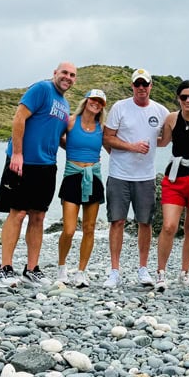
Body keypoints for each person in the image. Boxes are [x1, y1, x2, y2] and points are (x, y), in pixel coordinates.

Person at [0, 61, 77, 287]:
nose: (67, 77)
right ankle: (5, 268)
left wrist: (82, 150)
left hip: (46, 166)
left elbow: (57, 137)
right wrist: (17, 154)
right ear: (55, 73)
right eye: (64, 73)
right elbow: (19, 117)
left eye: (72, 75)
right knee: (18, 213)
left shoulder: (65, 105)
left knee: (38, 217)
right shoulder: (41, 89)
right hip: (22, 162)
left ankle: (31, 269)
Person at [101, 68, 170, 288]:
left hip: (146, 177)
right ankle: (114, 271)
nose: (141, 88)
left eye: (145, 84)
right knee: (117, 221)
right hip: (119, 175)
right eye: (137, 84)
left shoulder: (161, 111)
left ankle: (143, 269)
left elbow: (164, 141)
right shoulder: (120, 107)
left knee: (145, 222)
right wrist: (130, 148)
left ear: (151, 86)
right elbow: (107, 138)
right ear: (132, 86)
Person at [155, 80, 189, 292]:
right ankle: (161, 273)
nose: (187, 101)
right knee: (169, 226)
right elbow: (161, 142)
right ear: (178, 98)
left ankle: (184, 273)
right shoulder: (171, 118)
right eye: (183, 97)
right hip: (175, 178)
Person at [55, 88, 108, 288]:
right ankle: (61, 269)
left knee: (89, 228)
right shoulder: (70, 121)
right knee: (68, 230)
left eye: (100, 102)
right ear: (86, 101)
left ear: (102, 106)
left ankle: (81, 272)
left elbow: (112, 145)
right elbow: (56, 138)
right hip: (72, 176)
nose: (95, 103)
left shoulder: (102, 127)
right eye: (93, 100)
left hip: (93, 177)